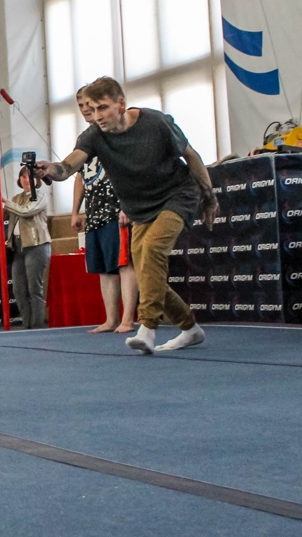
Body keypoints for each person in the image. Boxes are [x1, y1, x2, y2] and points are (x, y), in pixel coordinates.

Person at [37, 76, 216, 354]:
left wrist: (209, 196)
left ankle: (147, 328)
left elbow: (191, 156)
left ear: (121, 104)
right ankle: (190, 328)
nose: (97, 116)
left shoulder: (155, 123)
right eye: (92, 109)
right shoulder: (94, 135)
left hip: (177, 195)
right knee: (146, 274)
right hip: (140, 208)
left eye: (103, 108)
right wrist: (50, 169)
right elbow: (69, 167)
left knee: (153, 249)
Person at [71, 87, 138, 334]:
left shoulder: (114, 131)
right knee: (103, 268)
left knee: (124, 263)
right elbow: (79, 175)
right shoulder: (85, 138)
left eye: (90, 105)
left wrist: (127, 204)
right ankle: (111, 318)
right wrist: (75, 211)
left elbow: (131, 167)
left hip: (115, 208)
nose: (86, 110)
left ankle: (128, 319)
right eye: (81, 106)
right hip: (94, 210)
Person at [6, 169, 52, 330]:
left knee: (34, 288)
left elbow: (26, 211)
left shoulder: (40, 195)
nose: (27, 180)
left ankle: (37, 325)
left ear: (37, 180)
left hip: (37, 245)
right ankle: (27, 325)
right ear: (19, 179)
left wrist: (4, 202)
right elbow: (2, 216)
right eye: (23, 176)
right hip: (18, 246)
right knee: (18, 289)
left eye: (30, 177)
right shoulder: (16, 199)